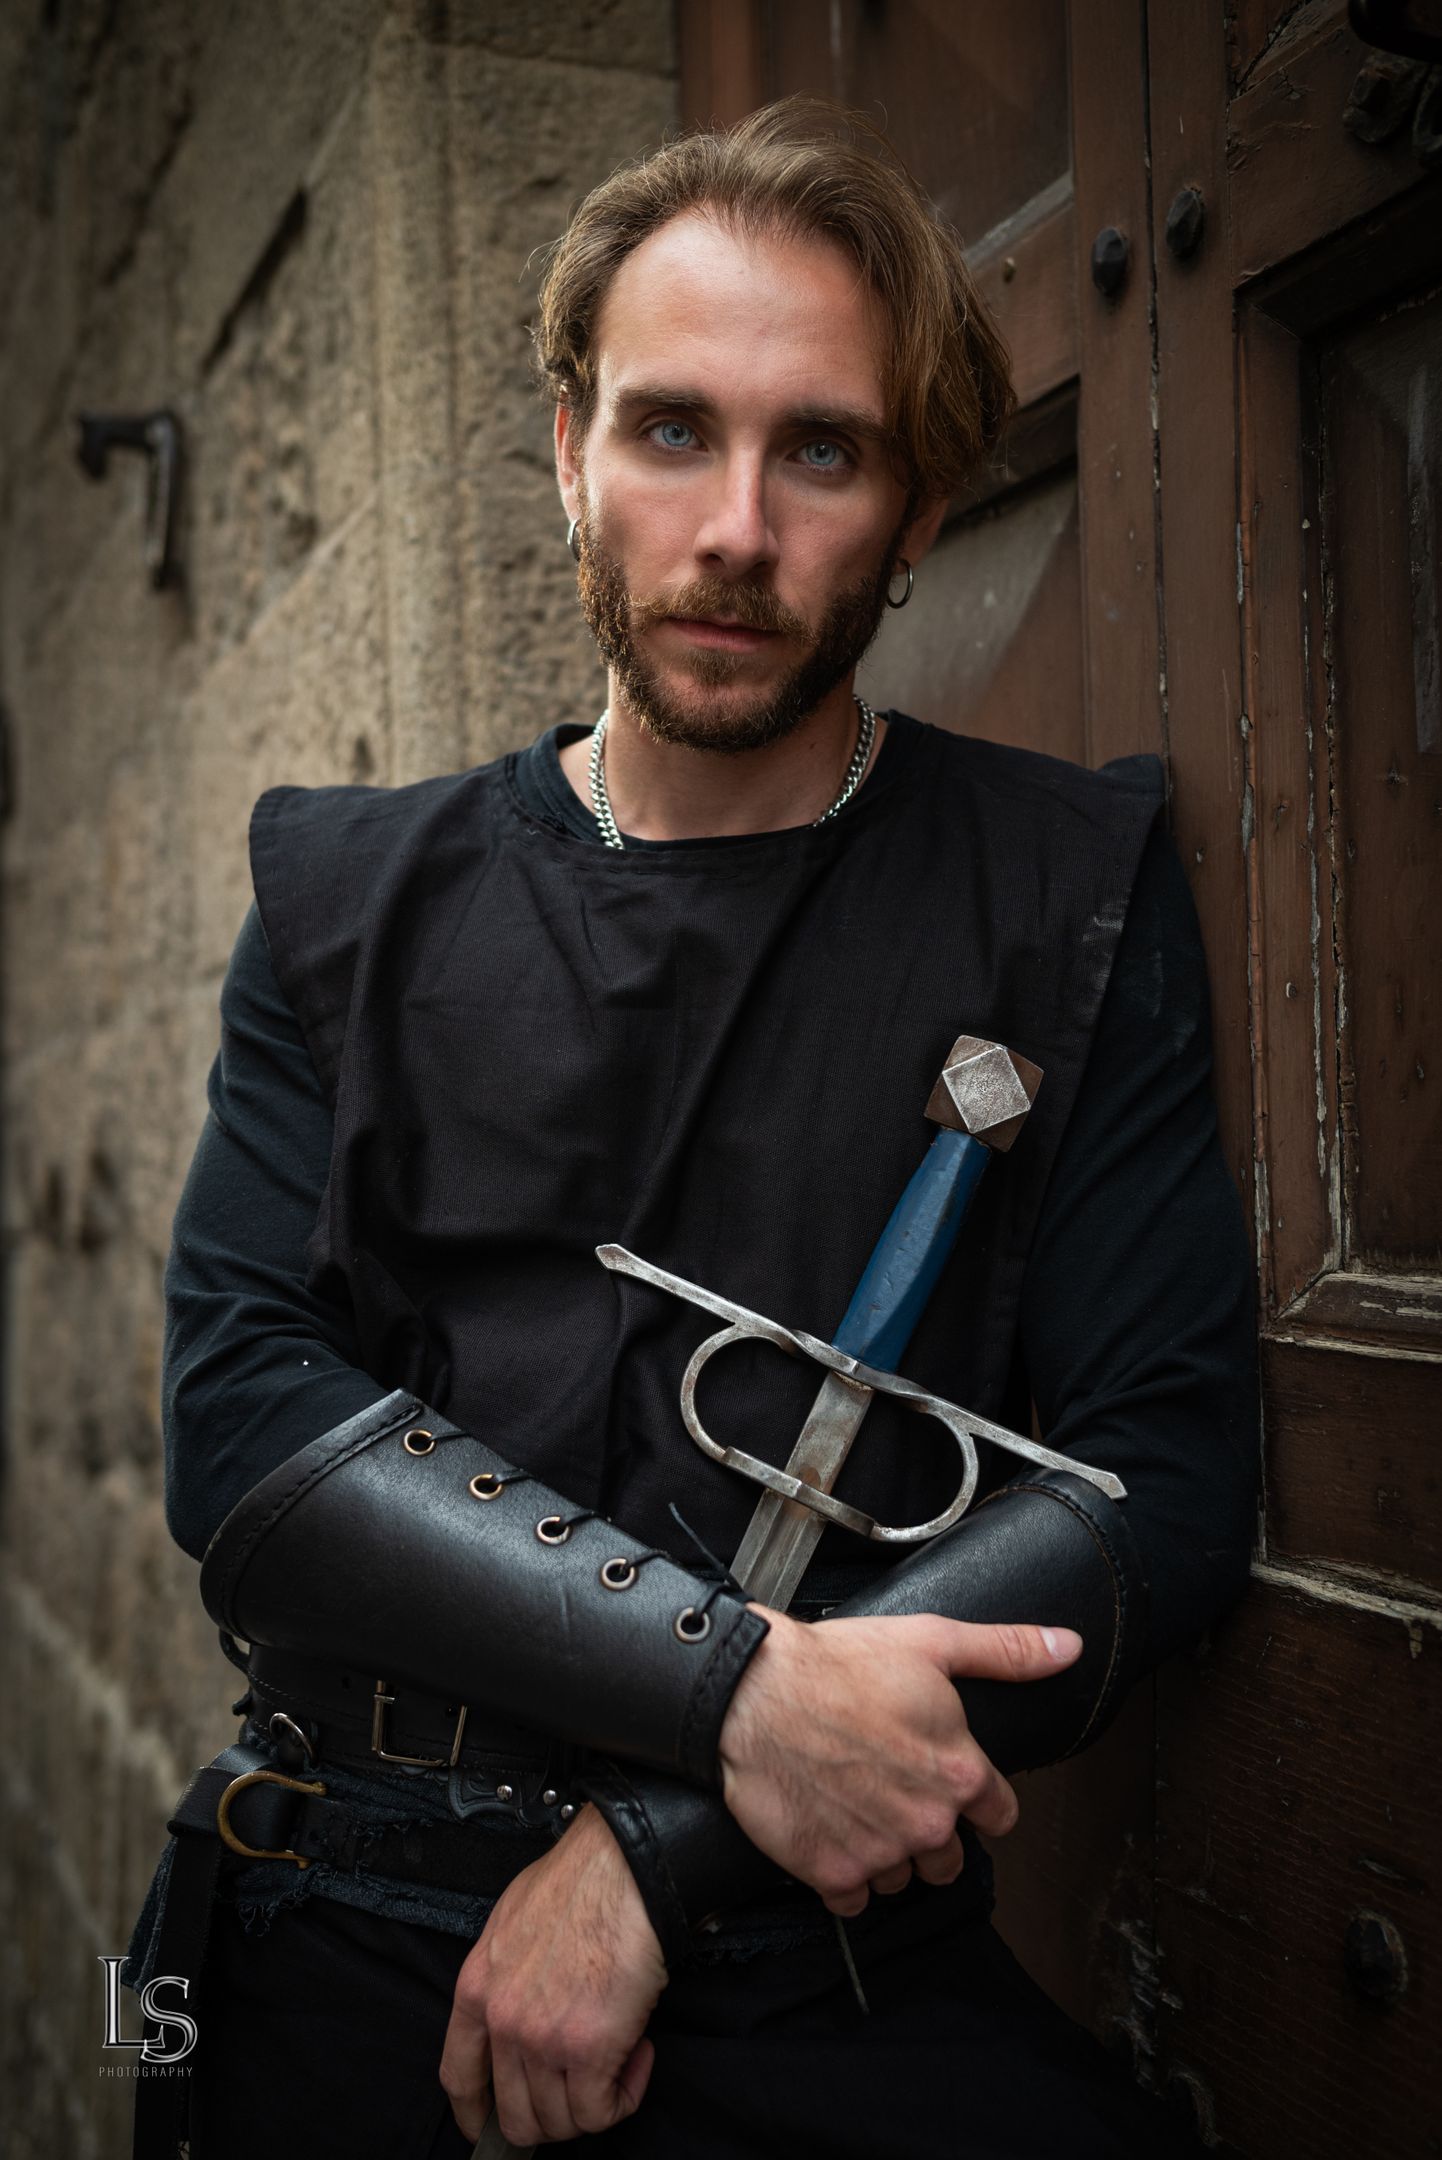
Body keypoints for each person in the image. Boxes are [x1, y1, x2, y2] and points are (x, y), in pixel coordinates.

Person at [125, 98, 1258, 2158]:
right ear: (570, 449)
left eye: (820, 449)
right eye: (669, 430)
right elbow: (243, 1424)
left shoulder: (1058, 886)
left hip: (825, 1951)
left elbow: (1161, 1478)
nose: (735, 528)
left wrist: (661, 1851)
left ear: (915, 510)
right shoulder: (344, 895)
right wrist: (731, 1687)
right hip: (343, 1912)